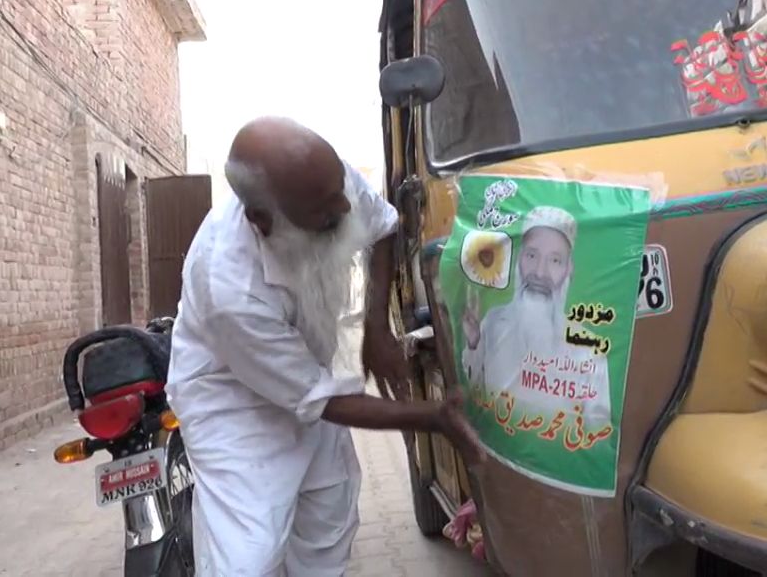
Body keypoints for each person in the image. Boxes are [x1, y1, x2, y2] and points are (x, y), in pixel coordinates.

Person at [165, 117, 483, 577]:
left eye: (341, 193)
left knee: (329, 517)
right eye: (327, 215)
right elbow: (325, 400)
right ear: (262, 221)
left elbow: (382, 226)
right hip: (232, 403)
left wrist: (376, 327)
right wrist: (432, 417)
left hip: (307, 372)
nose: (343, 210)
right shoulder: (228, 288)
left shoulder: (323, 183)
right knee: (249, 556)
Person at [461, 206, 611, 427]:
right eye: (532, 255)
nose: (540, 273)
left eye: (555, 261)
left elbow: (597, 432)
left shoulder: (589, 350)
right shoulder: (493, 322)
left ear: (569, 269)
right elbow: (473, 395)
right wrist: (473, 344)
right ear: (519, 260)